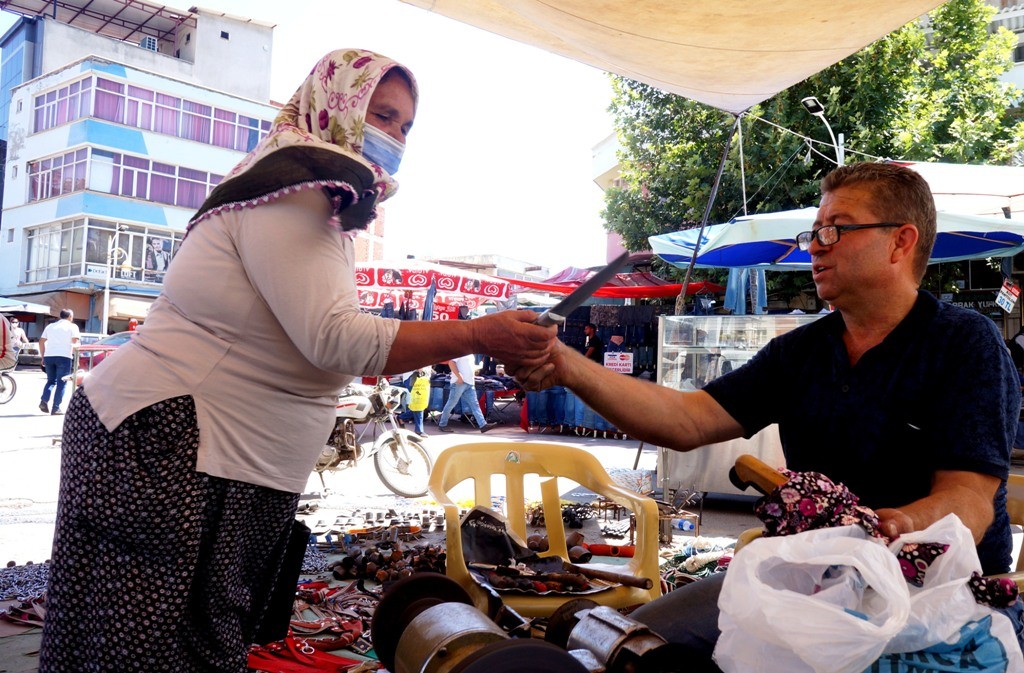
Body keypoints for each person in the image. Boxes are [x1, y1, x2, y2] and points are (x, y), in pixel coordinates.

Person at [39, 49, 554, 673]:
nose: (392, 136)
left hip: (215, 451)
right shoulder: (298, 187)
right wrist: (478, 334)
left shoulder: (322, 204)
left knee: (193, 639)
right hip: (170, 442)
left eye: (404, 126)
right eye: (380, 115)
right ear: (334, 104)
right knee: (141, 646)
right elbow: (336, 339)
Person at [511, 162, 1024, 665]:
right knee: (628, 646)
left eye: (835, 229)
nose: (816, 246)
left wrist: (905, 524)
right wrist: (568, 365)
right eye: (815, 232)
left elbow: (969, 500)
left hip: (939, 598)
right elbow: (688, 420)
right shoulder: (800, 352)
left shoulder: (963, 343)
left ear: (900, 241)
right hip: (812, 580)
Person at [437, 352, 498, 433]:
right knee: (452, 403)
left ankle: (483, 425)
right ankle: (442, 424)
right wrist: (459, 376)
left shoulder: (469, 354)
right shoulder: (460, 352)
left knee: (473, 404)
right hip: (459, 383)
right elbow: (451, 363)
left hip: (468, 382)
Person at [38, 309, 80, 416]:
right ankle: (55, 408)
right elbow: (75, 342)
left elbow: (41, 341)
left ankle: (44, 400)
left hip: (49, 356)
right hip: (64, 357)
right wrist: (77, 359)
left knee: (51, 381)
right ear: (70, 316)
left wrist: (43, 356)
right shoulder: (73, 326)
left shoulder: (50, 326)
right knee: (62, 383)